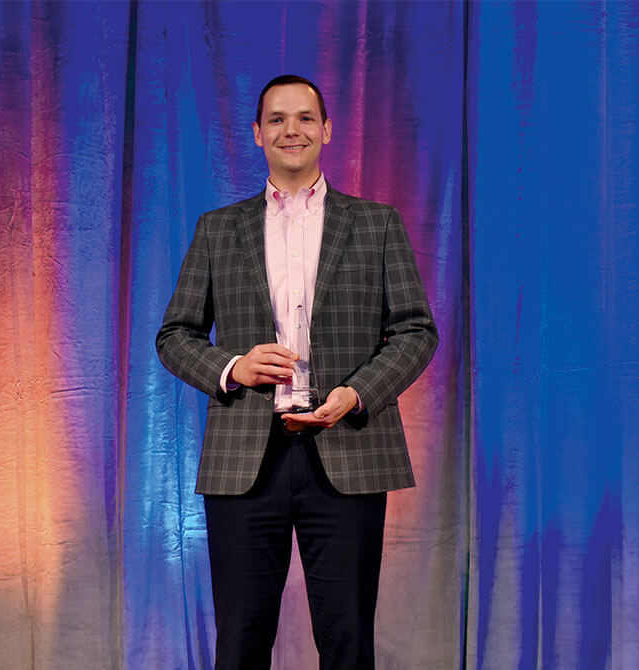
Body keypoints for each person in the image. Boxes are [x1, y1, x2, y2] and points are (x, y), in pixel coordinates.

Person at [156, 74, 437, 669]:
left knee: (347, 643)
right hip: (243, 461)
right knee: (239, 645)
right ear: (257, 134)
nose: (293, 130)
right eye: (278, 119)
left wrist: (358, 392)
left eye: (305, 118)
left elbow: (416, 332)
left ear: (327, 130)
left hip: (349, 453)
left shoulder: (376, 224)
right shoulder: (217, 229)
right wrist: (233, 365)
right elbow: (175, 337)